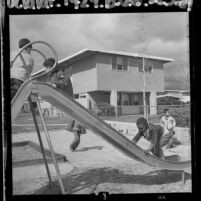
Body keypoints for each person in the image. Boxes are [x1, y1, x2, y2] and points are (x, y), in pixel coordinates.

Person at [43, 58, 86, 152]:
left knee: (73, 115)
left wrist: (56, 85)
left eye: (46, 68)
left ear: (50, 67)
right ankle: (76, 131)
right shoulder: (51, 76)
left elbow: (65, 79)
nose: (45, 70)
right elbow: (49, 84)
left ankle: (77, 128)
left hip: (67, 98)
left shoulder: (60, 73)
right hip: (62, 99)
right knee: (72, 117)